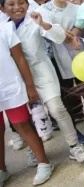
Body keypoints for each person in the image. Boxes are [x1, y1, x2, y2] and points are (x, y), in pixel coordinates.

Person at [1, 0, 84, 163]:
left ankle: (74, 146)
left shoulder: (35, 21)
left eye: (21, 2)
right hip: (16, 78)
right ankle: (35, 151)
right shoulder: (3, 28)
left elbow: (59, 37)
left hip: (41, 72)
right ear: (3, 9)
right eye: (11, 4)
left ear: (27, 4)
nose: (17, 7)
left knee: (56, 108)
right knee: (26, 118)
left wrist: (44, 24)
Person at [0, 21, 54, 186]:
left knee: (22, 124)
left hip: (9, 86)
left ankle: (44, 163)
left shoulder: (4, 28)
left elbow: (20, 58)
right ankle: (2, 171)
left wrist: (30, 85)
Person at [38, 0, 84, 128]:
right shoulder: (44, 11)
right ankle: (73, 127)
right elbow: (48, 31)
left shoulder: (77, 9)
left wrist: (74, 34)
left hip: (80, 53)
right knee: (66, 92)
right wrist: (65, 35)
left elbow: (83, 28)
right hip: (57, 56)